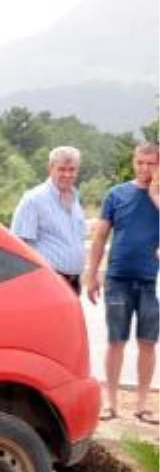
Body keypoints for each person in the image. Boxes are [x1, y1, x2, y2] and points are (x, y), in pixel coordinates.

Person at [85, 142, 160, 424]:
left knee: (148, 343)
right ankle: (111, 402)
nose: (144, 168)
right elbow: (101, 237)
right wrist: (92, 274)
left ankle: (143, 404)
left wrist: (154, 194)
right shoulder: (116, 195)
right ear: (133, 161)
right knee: (115, 340)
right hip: (117, 278)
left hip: (151, 280)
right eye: (140, 162)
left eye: (151, 163)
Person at [10, 146, 85, 294]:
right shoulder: (34, 200)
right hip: (46, 283)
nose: (67, 174)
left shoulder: (76, 198)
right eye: (62, 169)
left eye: (72, 169)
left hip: (73, 281)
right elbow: (18, 245)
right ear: (51, 168)